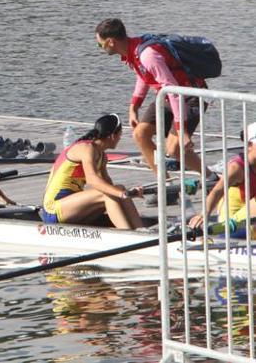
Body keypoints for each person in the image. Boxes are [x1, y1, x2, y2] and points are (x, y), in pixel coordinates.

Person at [95, 18, 208, 176]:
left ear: (111, 42)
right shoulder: (132, 52)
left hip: (189, 96)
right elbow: (143, 76)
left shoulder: (148, 55)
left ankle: (210, 176)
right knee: (140, 134)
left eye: (100, 44)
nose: (100, 48)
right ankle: (165, 182)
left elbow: (174, 89)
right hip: (168, 98)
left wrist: (181, 130)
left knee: (174, 148)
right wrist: (134, 106)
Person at [42, 114, 144, 229]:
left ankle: (141, 230)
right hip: (53, 209)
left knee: (119, 188)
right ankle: (127, 234)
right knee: (109, 193)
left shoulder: (102, 155)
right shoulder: (86, 148)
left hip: (70, 207)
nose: (120, 137)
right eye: (120, 134)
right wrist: (121, 194)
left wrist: (130, 193)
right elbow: (92, 180)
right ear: (112, 136)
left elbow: (109, 186)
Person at [189, 122, 256, 237]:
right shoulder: (237, 168)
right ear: (249, 144)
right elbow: (217, 191)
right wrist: (203, 215)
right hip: (231, 222)